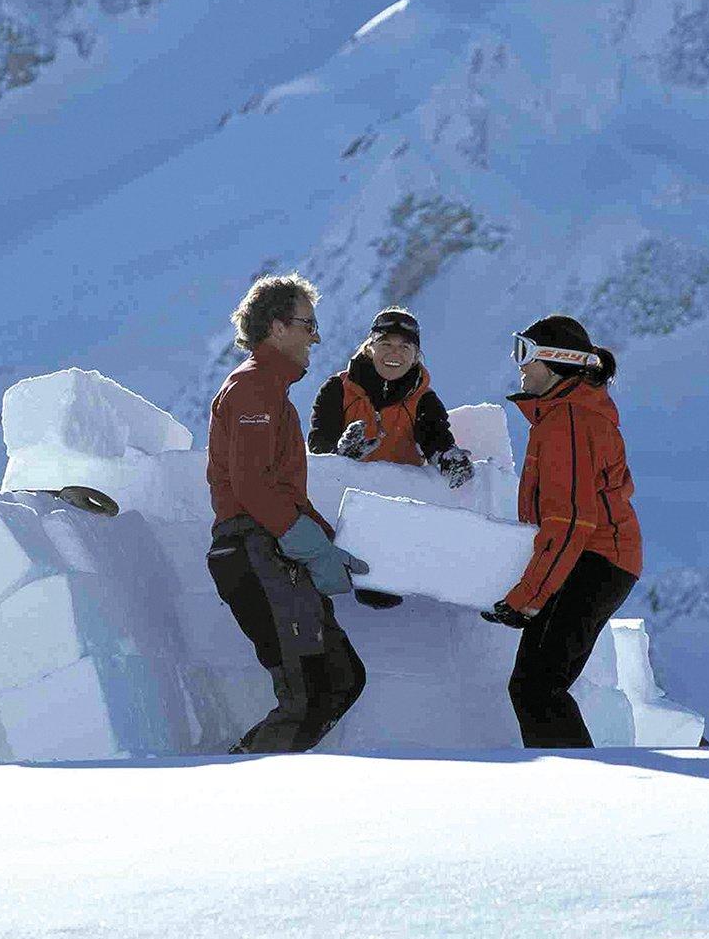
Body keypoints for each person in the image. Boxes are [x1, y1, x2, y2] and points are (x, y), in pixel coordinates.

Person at [206, 273, 373, 754]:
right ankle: (241, 792)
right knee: (312, 692)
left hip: (275, 553)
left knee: (341, 678)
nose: (315, 336)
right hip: (256, 551)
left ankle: (251, 772)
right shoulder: (253, 388)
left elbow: (282, 490)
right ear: (276, 327)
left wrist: (326, 542)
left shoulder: (270, 391)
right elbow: (252, 485)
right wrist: (308, 542)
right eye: (307, 324)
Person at [480, 316, 641, 747]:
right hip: (593, 559)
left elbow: (569, 521)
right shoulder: (563, 415)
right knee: (535, 687)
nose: (520, 366)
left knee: (537, 689)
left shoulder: (568, 420)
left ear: (555, 362)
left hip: (596, 562)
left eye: (525, 354)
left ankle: (579, 794)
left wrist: (528, 600)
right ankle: (573, 788)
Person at [307, 307, 475, 488]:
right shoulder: (337, 390)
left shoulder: (424, 401)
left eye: (404, 346)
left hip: (400, 505)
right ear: (370, 349)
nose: (395, 353)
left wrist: (449, 458)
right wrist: (340, 455)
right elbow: (318, 445)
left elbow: (435, 439)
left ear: (415, 356)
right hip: (343, 502)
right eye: (386, 344)